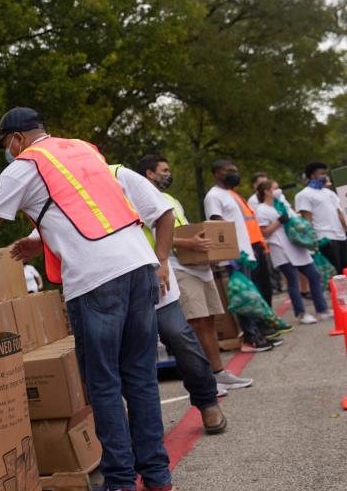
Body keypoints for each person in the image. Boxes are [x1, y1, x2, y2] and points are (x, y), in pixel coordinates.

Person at [0, 107, 173, 491]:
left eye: (5, 145)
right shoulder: (82, 150)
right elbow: (84, 210)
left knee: (103, 382)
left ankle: (120, 484)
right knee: (140, 377)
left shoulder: (25, 166)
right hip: (139, 266)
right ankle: (159, 477)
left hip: (97, 279)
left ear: (17, 139)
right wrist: (41, 239)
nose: (6, 152)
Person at [111, 160, 229, 434]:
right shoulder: (76, 194)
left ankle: (207, 402)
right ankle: (143, 426)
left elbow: (165, 219)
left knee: (180, 338)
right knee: (128, 356)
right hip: (117, 286)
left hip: (156, 281)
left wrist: (162, 261)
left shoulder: (122, 179)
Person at [134, 156, 253, 394]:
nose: (169, 174)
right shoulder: (140, 200)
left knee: (208, 320)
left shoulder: (170, 199)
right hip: (176, 264)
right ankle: (206, 379)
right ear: (149, 174)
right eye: (164, 170)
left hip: (197, 264)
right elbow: (155, 235)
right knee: (195, 323)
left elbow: (182, 226)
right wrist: (189, 242)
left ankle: (219, 373)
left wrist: (206, 244)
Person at [204, 160, 287, 347]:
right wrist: (232, 254)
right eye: (228, 171)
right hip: (235, 256)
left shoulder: (230, 194)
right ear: (217, 173)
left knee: (250, 296)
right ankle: (251, 338)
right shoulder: (213, 196)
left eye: (235, 170)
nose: (234, 173)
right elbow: (218, 226)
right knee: (242, 298)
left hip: (245, 252)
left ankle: (257, 333)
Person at [255, 178, 333, 324]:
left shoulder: (281, 205)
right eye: (275, 188)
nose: (279, 191)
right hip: (281, 248)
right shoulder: (262, 210)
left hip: (296, 246)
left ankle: (322, 310)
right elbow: (264, 232)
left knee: (314, 275)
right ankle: (301, 314)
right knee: (293, 281)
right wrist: (279, 221)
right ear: (266, 191)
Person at [295, 162, 347, 274]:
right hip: (324, 237)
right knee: (336, 273)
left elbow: (340, 213)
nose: (325, 177)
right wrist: (311, 241)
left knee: (345, 270)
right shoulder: (304, 195)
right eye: (321, 174)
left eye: (325, 173)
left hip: (340, 236)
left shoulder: (329, 193)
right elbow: (306, 220)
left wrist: (345, 230)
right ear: (312, 175)